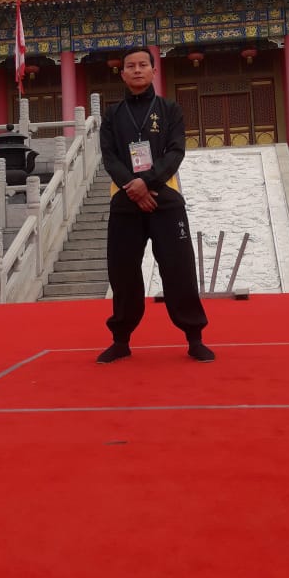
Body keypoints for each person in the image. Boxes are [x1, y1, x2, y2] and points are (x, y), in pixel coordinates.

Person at [96, 46, 214, 363]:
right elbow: (109, 156)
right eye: (130, 66)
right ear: (122, 73)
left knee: (179, 269)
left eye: (142, 65)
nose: (137, 70)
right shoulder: (112, 115)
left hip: (165, 198)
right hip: (124, 201)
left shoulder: (170, 110)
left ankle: (194, 337)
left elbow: (175, 152)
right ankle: (121, 340)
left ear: (153, 70)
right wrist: (133, 187)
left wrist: (146, 183)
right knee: (122, 272)